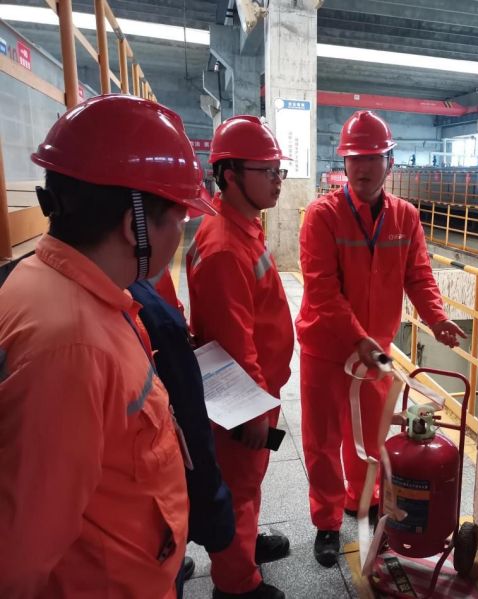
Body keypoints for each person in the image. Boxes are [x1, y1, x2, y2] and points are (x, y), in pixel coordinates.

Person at [0, 94, 215, 597]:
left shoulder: (59, 284)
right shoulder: (71, 350)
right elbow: (20, 560)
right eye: (179, 218)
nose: (182, 232)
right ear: (133, 225)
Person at [296, 110, 466, 568]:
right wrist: (358, 339)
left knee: (371, 439)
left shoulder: (405, 217)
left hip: (375, 352)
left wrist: (436, 318)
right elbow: (322, 290)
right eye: (355, 158)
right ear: (344, 163)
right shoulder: (322, 216)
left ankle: (362, 503)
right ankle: (327, 522)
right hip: (326, 349)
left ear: (390, 162)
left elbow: (419, 275)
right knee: (322, 441)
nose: (363, 168)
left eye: (373, 158)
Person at [186, 115, 293, 599]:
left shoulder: (242, 227)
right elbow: (235, 340)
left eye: (278, 170)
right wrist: (251, 412)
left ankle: (245, 549)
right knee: (238, 488)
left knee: (250, 482)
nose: (277, 179)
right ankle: (236, 584)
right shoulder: (225, 246)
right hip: (243, 398)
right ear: (229, 175)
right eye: (266, 170)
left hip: (260, 389)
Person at [129, 274, 236, 597]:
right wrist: (213, 510)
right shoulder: (143, 310)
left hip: (147, 530)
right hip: (132, 546)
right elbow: (189, 419)